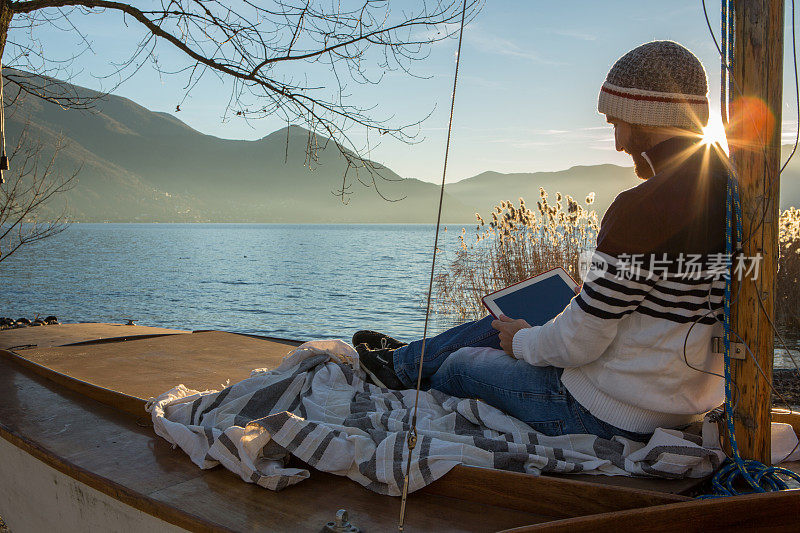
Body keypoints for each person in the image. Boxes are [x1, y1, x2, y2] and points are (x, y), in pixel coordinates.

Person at [354, 41, 728, 442]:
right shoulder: (737, 199)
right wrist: (575, 310)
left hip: (606, 412)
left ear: (643, 119)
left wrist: (524, 342)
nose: (618, 143)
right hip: (683, 405)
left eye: (616, 123)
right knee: (501, 322)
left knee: (462, 364)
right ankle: (402, 362)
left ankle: (404, 372)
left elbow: (579, 344)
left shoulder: (642, 208)